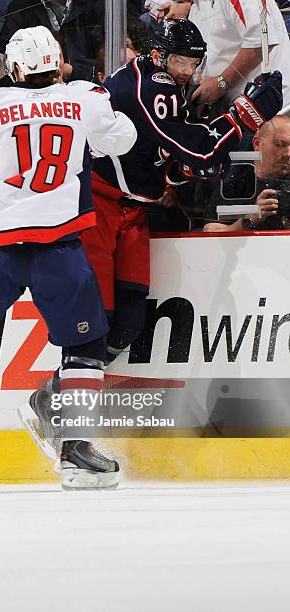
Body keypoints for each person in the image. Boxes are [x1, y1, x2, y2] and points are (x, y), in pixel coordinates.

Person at [0, 25, 137, 489]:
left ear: (13, 67)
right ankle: (76, 450)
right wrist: (97, 99)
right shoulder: (84, 97)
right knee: (85, 347)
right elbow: (123, 140)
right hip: (60, 242)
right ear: (57, 61)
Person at [79, 19, 283, 366]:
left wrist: (190, 166)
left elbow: (176, 161)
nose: (187, 71)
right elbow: (199, 151)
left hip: (132, 211)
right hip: (97, 207)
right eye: (180, 61)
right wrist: (244, 115)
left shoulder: (162, 81)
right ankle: (64, 397)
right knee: (98, 320)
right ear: (158, 55)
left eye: (193, 63)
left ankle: (67, 387)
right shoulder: (153, 86)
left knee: (129, 322)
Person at [145, 0, 290, 109]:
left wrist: (222, 82)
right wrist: (189, 9)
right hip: (233, 106)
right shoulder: (197, 4)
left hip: (265, 109)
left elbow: (261, 43)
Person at [203, 115, 290, 231]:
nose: (288, 154)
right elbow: (210, 231)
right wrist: (249, 219)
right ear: (257, 144)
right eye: (280, 144)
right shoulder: (236, 187)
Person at [0, 0, 105, 82]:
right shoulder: (20, 7)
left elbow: (107, 67)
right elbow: (6, 61)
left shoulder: (96, 5)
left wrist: (71, 71)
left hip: (84, 92)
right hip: (35, 96)